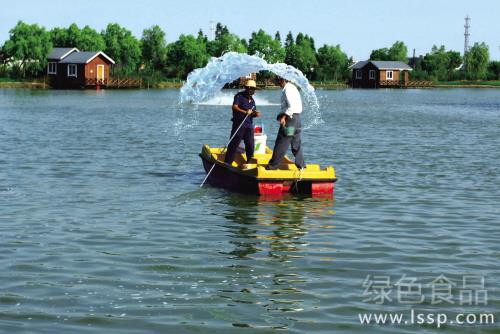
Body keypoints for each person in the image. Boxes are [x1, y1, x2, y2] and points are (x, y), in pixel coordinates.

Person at [267, 77, 305, 170]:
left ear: (283, 80)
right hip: (297, 119)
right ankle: (301, 166)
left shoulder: (287, 89)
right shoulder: (293, 87)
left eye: (278, 80)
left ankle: (272, 166)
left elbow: (291, 106)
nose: (277, 83)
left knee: (282, 142)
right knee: (296, 144)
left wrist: (284, 117)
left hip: (290, 119)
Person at [224, 79, 261, 167]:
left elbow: (251, 114)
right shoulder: (239, 96)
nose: (252, 91)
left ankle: (249, 163)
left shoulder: (252, 101)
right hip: (239, 125)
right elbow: (234, 106)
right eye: (251, 88)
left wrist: (256, 114)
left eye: (253, 89)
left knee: (250, 145)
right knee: (234, 144)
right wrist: (245, 112)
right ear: (247, 88)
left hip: (248, 126)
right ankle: (227, 163)